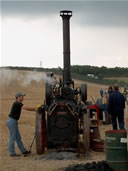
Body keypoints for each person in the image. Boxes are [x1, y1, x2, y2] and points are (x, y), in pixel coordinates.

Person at [6, 92, 37, 157]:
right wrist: (36, 108)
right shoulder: (17, 103)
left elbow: (27, 108)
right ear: (18, 97)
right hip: (12, 121)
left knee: (18, 137)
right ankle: (12, 153)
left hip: (13, 121)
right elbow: (26, 107)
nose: (23, 97)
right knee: (12, 137)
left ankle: (23, 151)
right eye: (22, 96)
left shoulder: (18, 103)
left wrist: (35, 110)